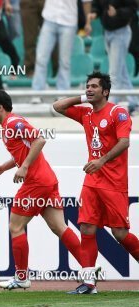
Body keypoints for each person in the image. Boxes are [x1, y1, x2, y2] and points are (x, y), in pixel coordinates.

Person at [0, 89, 83, 290]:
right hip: (47, 180)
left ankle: (21, 277)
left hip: (36, 182)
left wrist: (25, 166)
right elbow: (25, 151)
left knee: (15, 226)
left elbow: (39, 139)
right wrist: (5, 167)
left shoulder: (13, 123)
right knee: (59, 227)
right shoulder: (8, 125)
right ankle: (89, 267)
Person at [53, 72, 139, 294]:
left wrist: (101, 161)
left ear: (106, 91)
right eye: (87, 86)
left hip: (114, 182)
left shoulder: (118, 112)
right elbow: (58, 106)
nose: (89, 89)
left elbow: (125, 142)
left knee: (120, 233)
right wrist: (83, 97)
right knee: (87, 227)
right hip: (92, 181)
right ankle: (89, 283)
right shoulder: (87, 114)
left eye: (93, 87)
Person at [85, 0, 138, 113]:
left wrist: (118, 12)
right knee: (120, 70)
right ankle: (133, 101)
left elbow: (132, 8)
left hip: (121, 32)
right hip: (107, 32)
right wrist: (95, 12)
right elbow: (97, 5)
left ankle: (111, 105)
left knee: (114, 71)